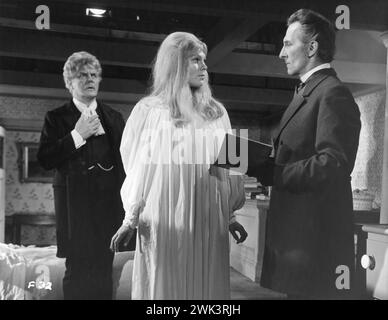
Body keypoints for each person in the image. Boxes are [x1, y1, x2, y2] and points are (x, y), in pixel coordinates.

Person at [110, 32, 248, 300]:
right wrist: (130, 217)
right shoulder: (147, 110)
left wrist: (231, 215)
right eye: (195, 60)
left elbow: (231, 166)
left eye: (204, 60)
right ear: (175, 64)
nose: (204, 66)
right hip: (165, 213)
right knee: (165, 284)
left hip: (209, 215)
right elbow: (137, 167)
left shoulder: (218, 112)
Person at [257, 9, 361, 299]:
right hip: (300, 244)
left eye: (288, 44)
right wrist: (252, 161)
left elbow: (333, 163)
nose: (281, 53)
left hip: (316, 248)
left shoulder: (331, 93)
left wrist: (275, 172)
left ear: (312, 47)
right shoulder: (309, 92)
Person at [37, 51, 126, 300]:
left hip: (107, 208)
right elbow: (45, 159)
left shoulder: (114, 118)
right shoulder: (55, 118)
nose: (90, 79)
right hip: (74, 210)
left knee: (103, 272)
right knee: (76, 271)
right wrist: (78, 135)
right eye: (83, 75)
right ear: (70, 83)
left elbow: (125, 165)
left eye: (94, 75)